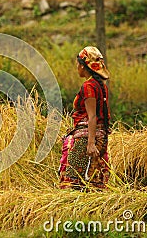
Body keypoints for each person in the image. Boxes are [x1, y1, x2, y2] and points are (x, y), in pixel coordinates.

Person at [58, 46, 111, 190]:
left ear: (82, 66)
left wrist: (90, 143)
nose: (76, 67)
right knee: (93, 180)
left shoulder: (88, 86)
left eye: (77, 64)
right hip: (101, 135)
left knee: (72, 181)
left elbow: (92, 116)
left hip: (86, 138)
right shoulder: (100, 86)